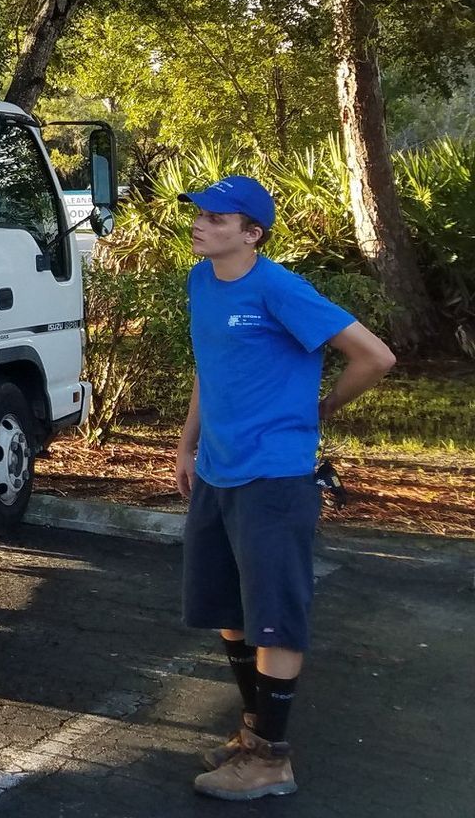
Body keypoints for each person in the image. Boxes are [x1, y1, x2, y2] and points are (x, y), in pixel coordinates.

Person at [174, 174, 397, 801]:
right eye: (199, 213)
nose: (200, 223)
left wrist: (321, 410)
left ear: (252, 233)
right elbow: (210, 368)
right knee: (228, 611)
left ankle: (272, 762)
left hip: (274, 476)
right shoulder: (201, 282)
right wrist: (188, 444)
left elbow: (375, 358)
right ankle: (255, 733)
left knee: (274, 618)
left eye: (218, 218)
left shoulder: (278, 288)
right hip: (218, 470)